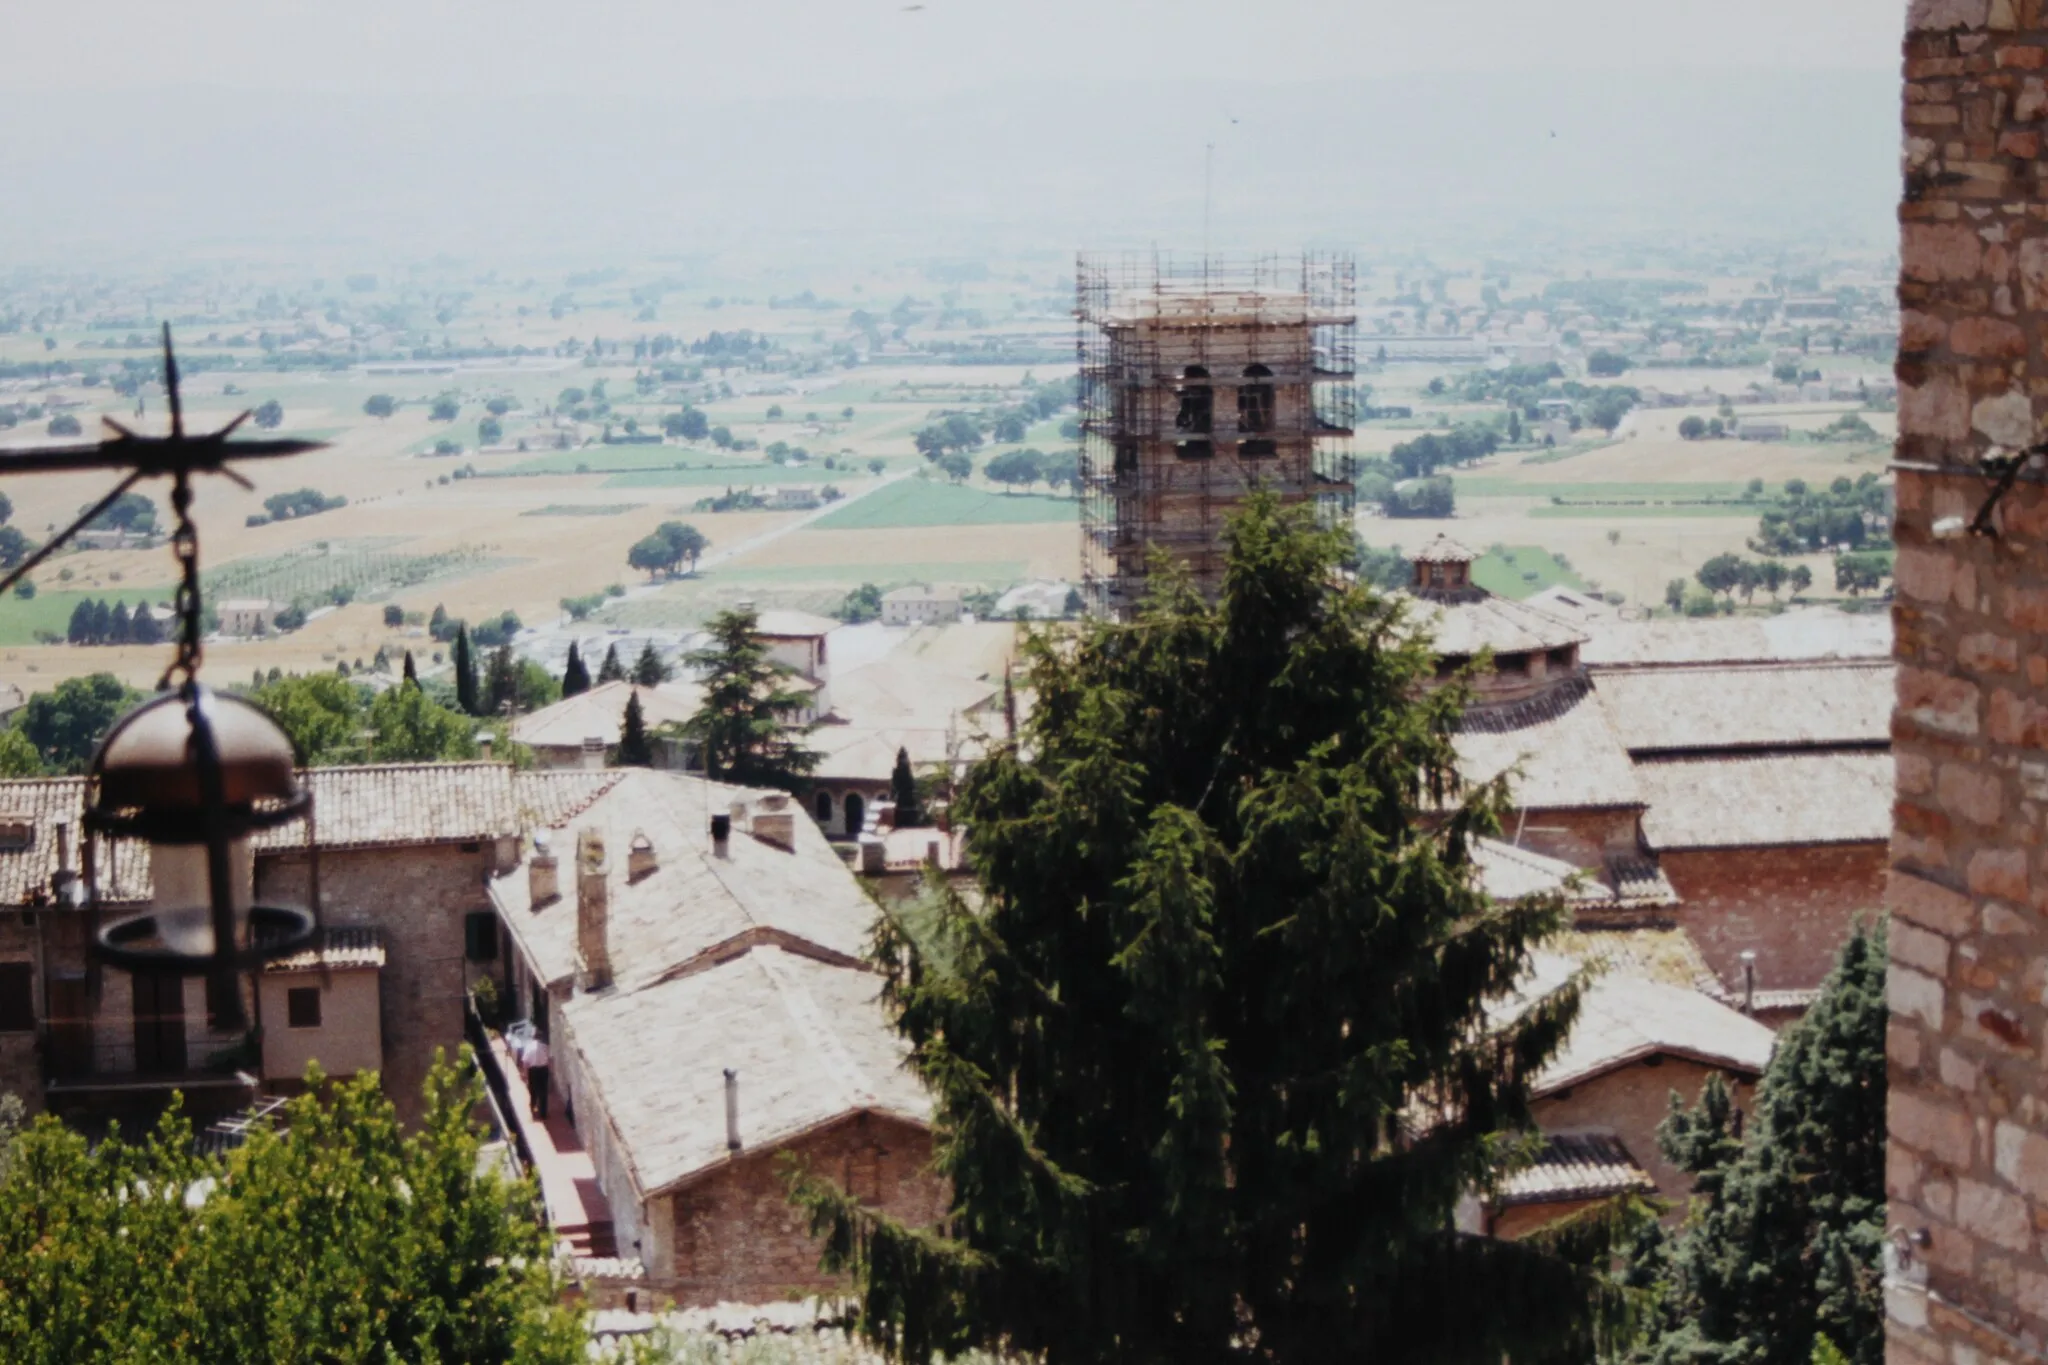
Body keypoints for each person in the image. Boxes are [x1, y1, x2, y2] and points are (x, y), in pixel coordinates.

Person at [524, 1031, 552, 1120]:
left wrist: (525, 1074)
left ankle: (533, 1107)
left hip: (533, 1071)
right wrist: (550, 1071)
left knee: (533, 1090)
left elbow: (525, 1062)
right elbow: (549, 1060)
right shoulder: (545, 1047)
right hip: (543, 1070)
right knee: (543, 1091)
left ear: (533, 1037)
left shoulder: (528, 1047)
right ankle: (543, 1113)